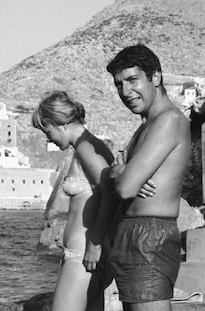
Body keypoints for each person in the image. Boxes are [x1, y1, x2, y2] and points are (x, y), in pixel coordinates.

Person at [106, 44, 191, 311]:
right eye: (119, 84)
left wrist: (121, 172)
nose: (126, 92)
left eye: (133, 80)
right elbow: (120, 177)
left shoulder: (168, 120)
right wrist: (117, 172)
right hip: (137, 236)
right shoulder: (147, 124)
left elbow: (125, 188)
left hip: (149, 237)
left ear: (156, 77)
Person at [32, 90, 117, 311]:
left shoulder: (85, 148)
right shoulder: (88, 145)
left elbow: (111, 192)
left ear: (59, 123)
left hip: (83, 256)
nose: (48, 138)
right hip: (86, 254)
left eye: (47, 130)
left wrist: (95, 243)